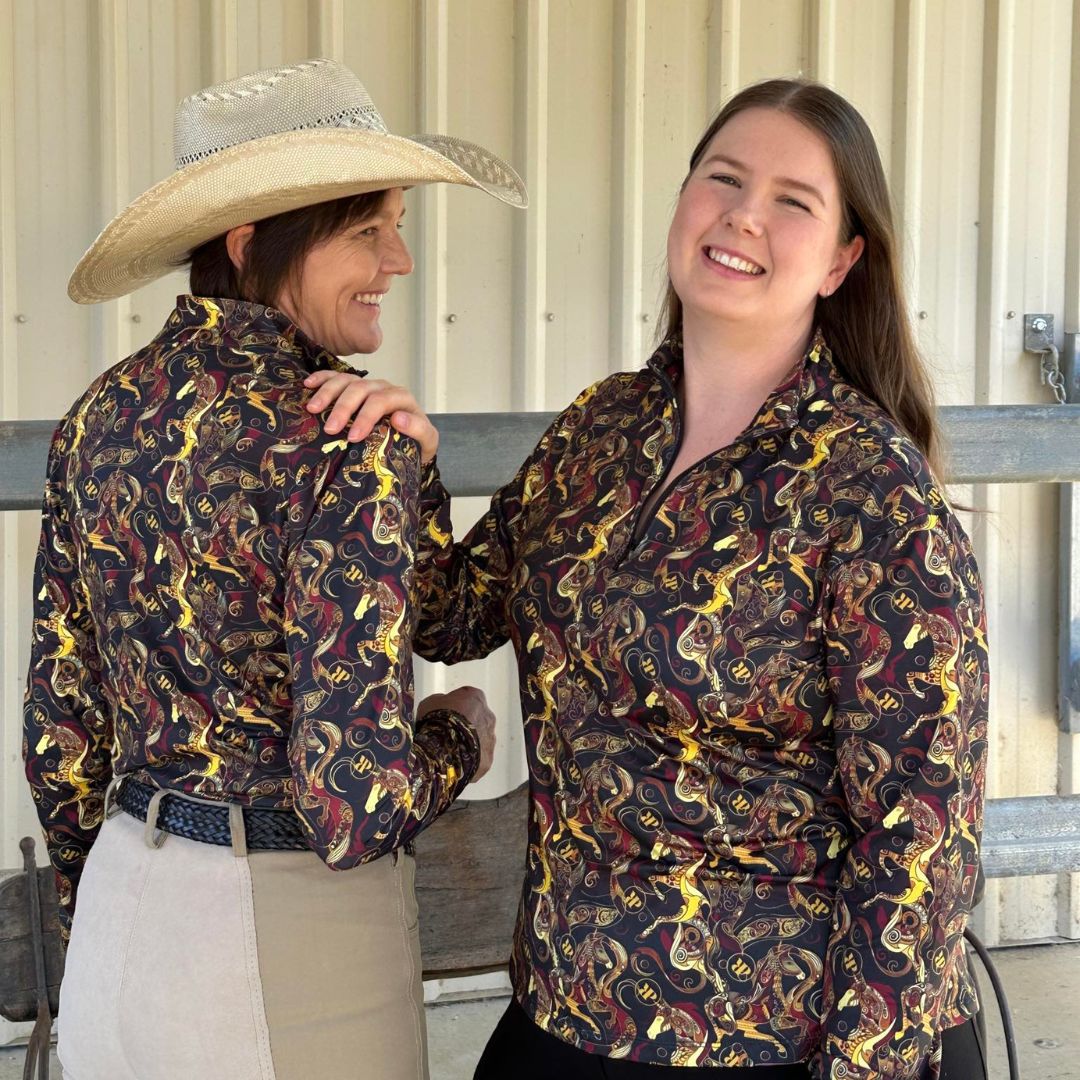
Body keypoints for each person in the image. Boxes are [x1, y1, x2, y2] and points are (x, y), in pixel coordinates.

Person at [311, 78, 989, 1078]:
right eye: (722, 178)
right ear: (681, 203)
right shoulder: (603, 430)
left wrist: (866, 1065)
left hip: (778, 1041)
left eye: (792, 201)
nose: (743, 215)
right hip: (570, 1012)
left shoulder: (869, 488)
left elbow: (922, 839)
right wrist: (396, 462)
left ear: (844, 259)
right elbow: (453, 611)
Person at [22, 58, 525, 1080]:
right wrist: (461, 738)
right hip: (294, 948)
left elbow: (59, 736)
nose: (401, 259)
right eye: (366, 231)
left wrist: (110, 902)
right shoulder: (343, 439)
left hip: (121, 927)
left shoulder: (99, 420)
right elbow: (353, 806)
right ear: (252, 244)